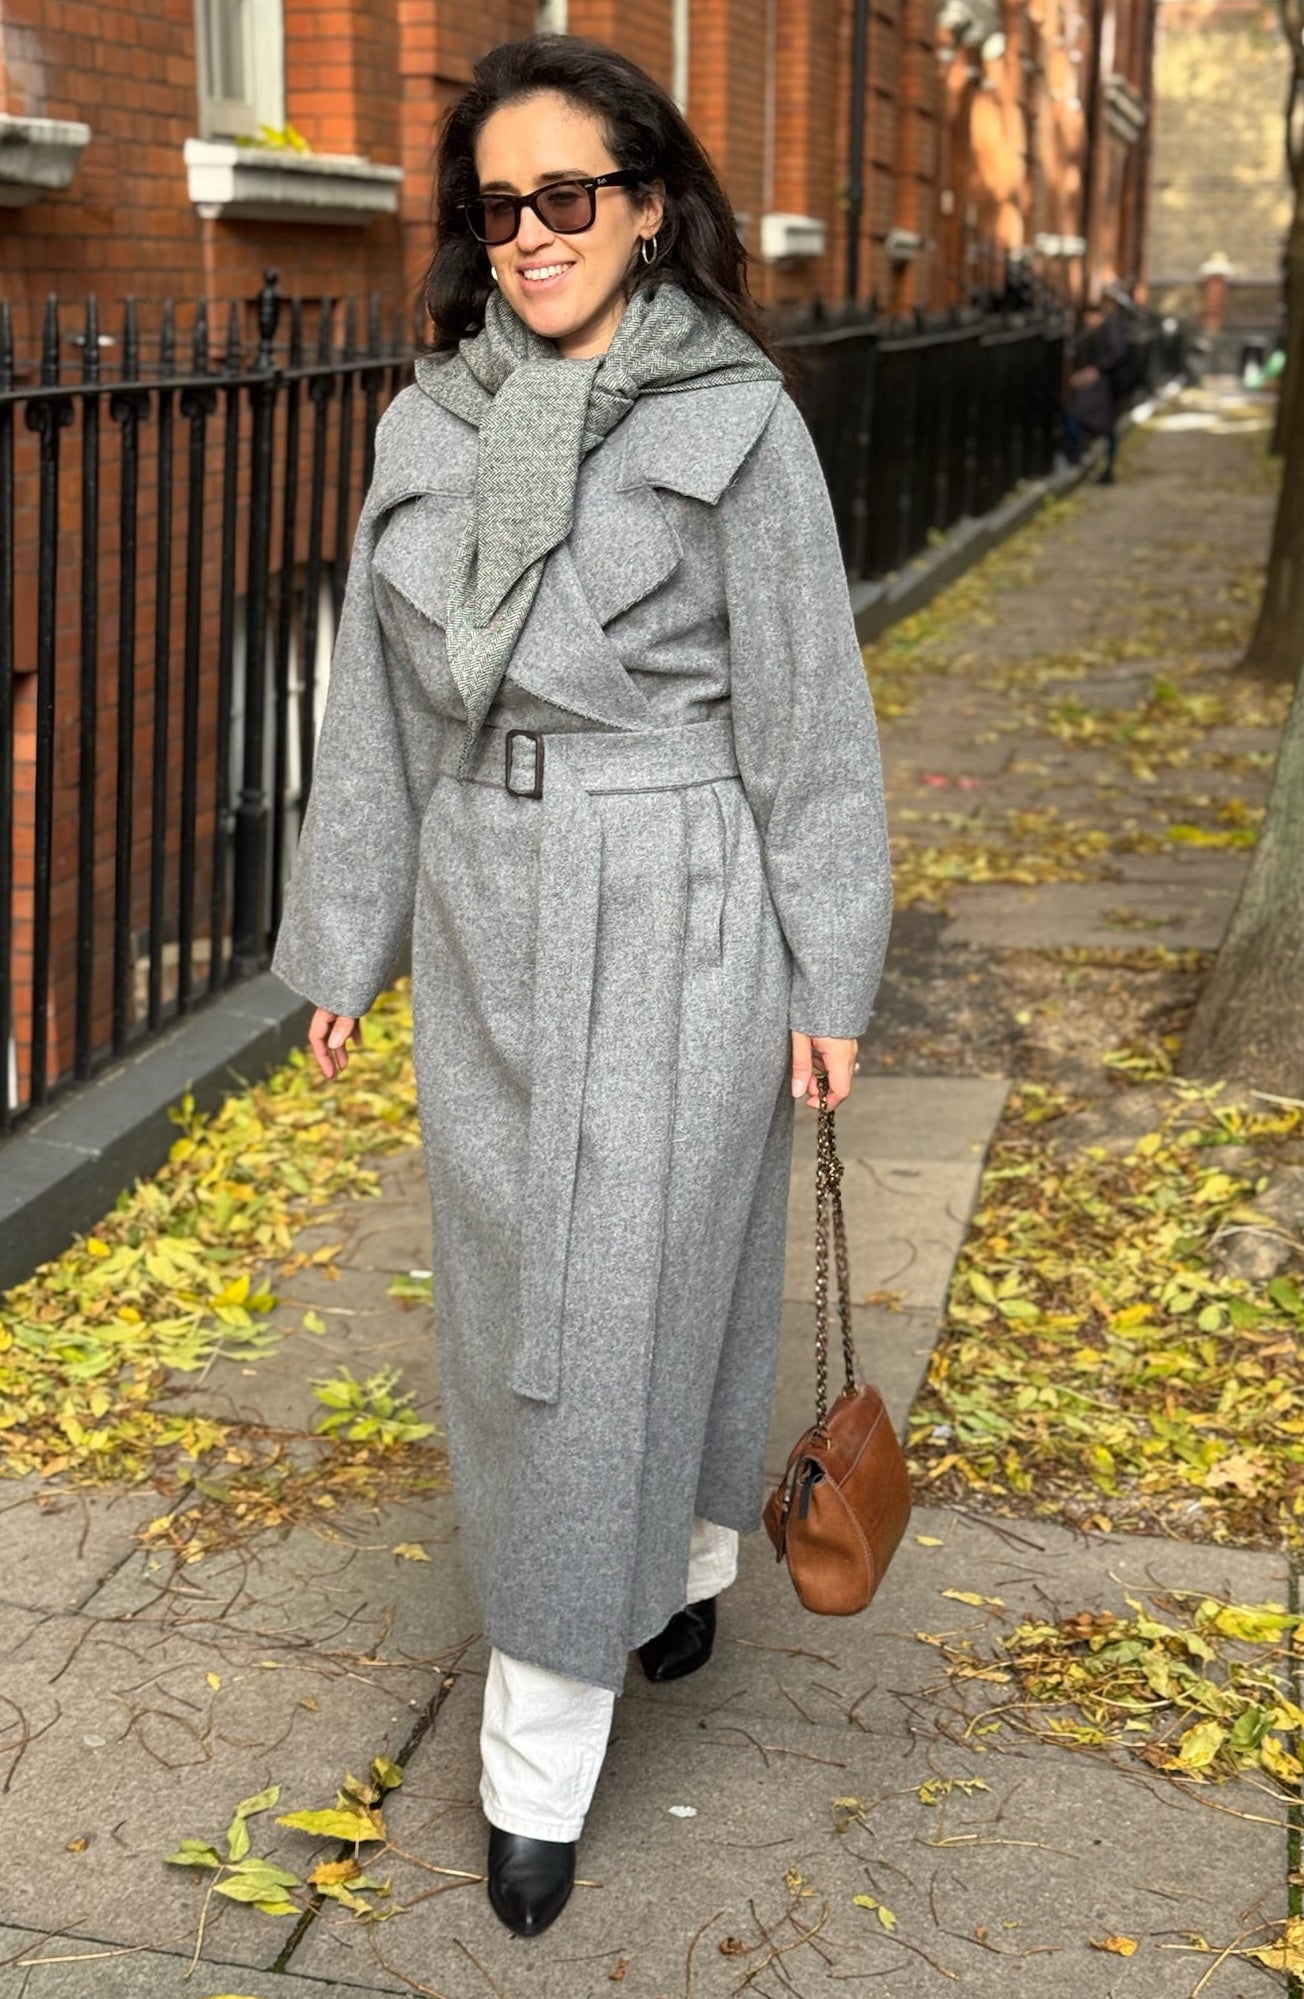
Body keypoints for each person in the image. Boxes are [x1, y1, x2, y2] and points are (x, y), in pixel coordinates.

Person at [272, 33, 891, 1940]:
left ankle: (538, 1748)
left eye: (568, 196)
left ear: (643, 205)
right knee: (537, 1288)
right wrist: (342, 939)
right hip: (483, 904)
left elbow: (807, 714)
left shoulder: (733, 417)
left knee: (621, 1286)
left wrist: (828, 963)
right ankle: (692, 1546)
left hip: (685, 892)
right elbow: (372, 716)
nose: (532, 234)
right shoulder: (425, 424)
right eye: (498, 204)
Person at [1064, 292, 1134, 485]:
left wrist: (1095, 370)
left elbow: (1117, 353)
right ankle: (1104, 467)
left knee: (1081, 418)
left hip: (1106, 388)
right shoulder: (1101, 329)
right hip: (1106, 388)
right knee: (1106, 428)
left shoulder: (1109, 328)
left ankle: (1098, 464)